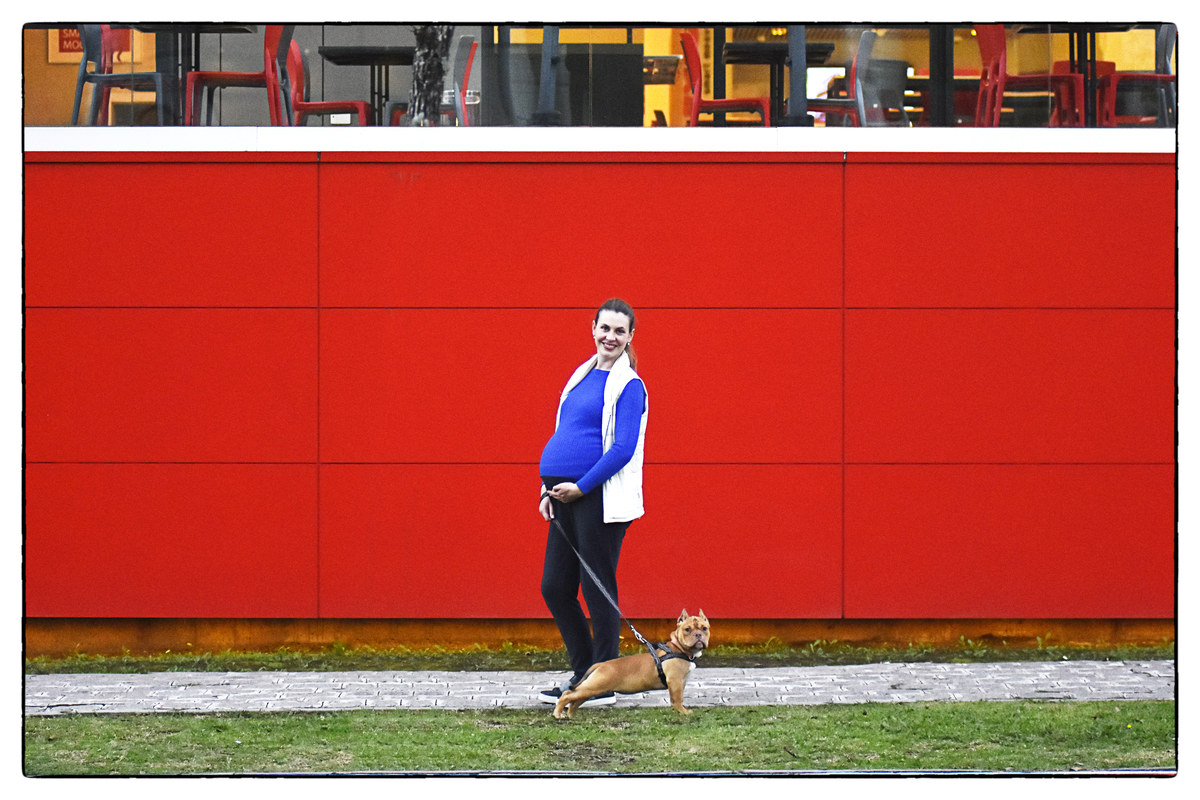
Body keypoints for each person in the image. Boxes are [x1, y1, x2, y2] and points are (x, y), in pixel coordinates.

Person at [537, 298, 648, 707]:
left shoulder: (629, 385)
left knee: (596, 587)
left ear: (630, 337)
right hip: (563, 495)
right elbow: (564, 432)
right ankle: (584, 673)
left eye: (620, 331)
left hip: (596, 497)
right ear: (593, 328)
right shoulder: (581, 375)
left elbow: (622, 449)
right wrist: (545, 490)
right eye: (605, 328)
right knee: (554, 587)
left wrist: (581, 488)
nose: (610, 337)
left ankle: (603, 682)